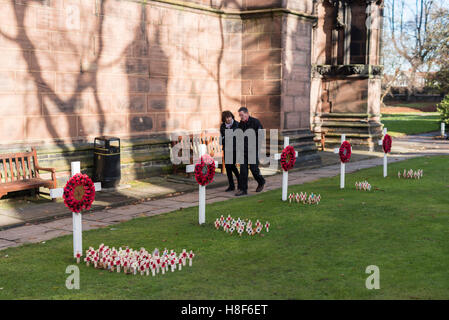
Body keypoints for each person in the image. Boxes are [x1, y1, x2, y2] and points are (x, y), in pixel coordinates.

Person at [235, 107, 266, 196]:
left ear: (247, 113)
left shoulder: (256, 122)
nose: (241, 117)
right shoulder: (240, 124)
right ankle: (243, 189)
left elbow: (261, 135)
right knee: (243, 171)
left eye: (242, 115)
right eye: (240, 115)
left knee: (254, 169)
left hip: (253, 150)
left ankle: (261, 181)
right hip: (243, 151)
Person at [220, 111, 240, 192]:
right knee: (228, 167)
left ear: (232, 116)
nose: (228, 119)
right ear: (224, 119)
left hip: (235, 148)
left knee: (232, 165)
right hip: (227, 148)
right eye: (226, 118)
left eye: (229, 117)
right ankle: (231, 185)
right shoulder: (222, 126)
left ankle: (240, 181)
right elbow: (224, 135)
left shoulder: (237, 124)